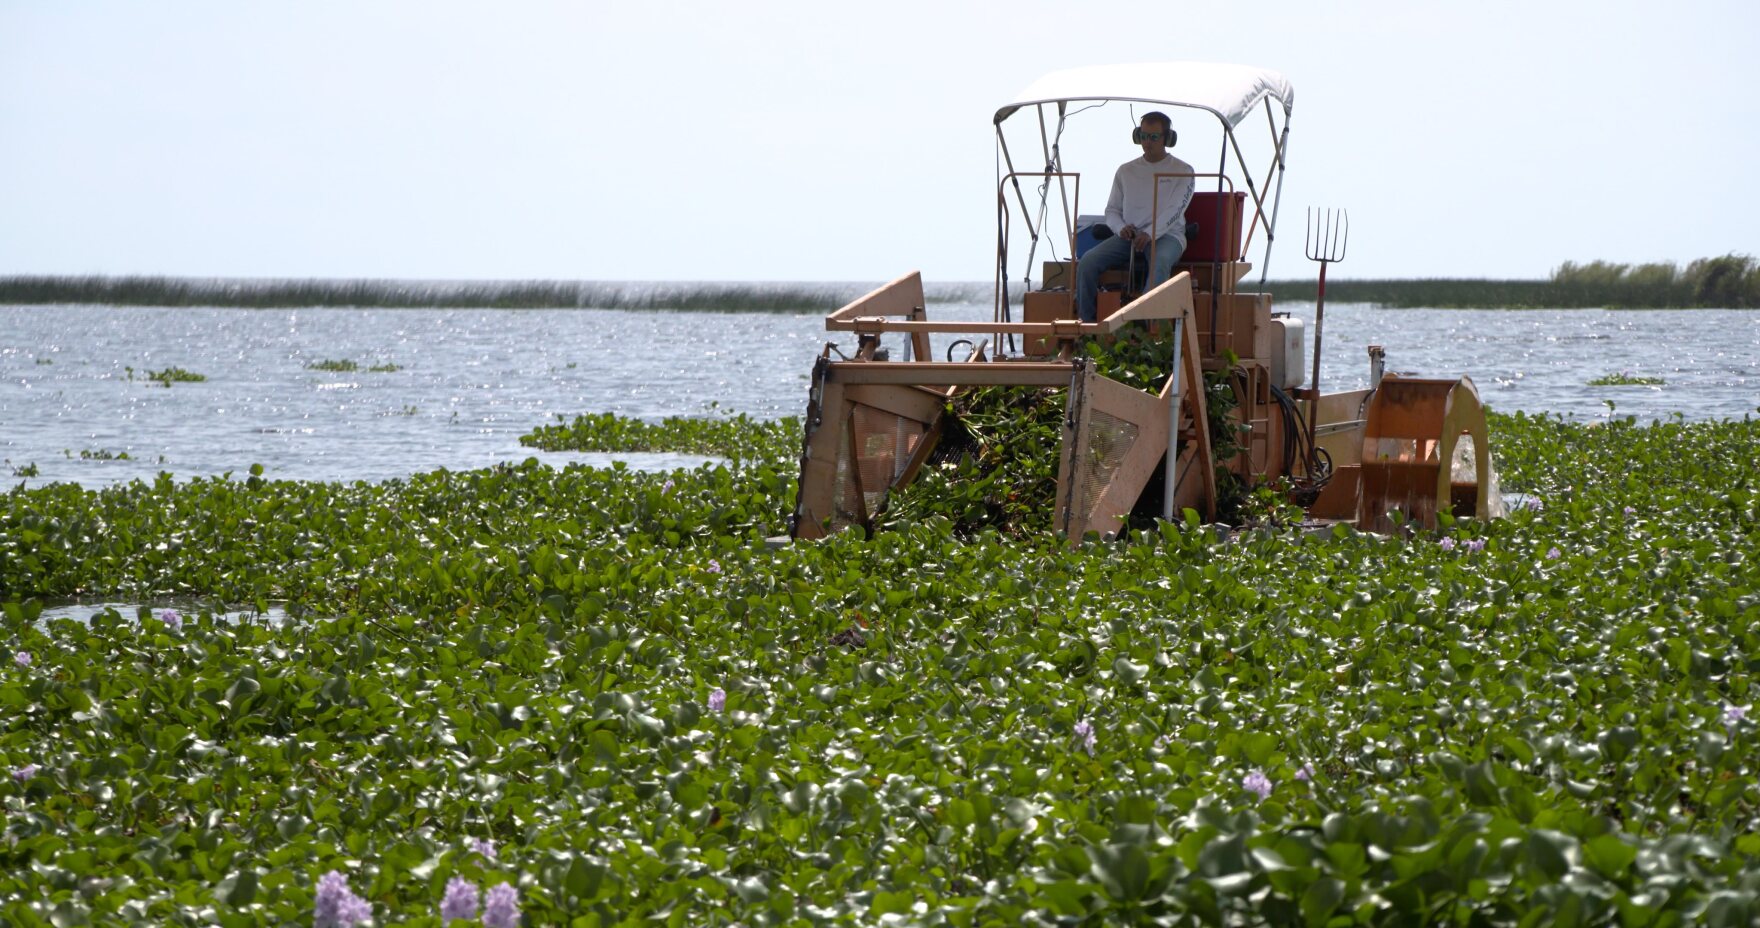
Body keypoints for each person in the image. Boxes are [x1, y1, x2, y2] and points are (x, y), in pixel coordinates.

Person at [1075, 112, 1194, 322]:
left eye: (1154, 137)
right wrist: (1120, 228)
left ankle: (1147, 329)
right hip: (1128, 238)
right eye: (1143, 136)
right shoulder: (1125, 171)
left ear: (1167, 138)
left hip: (1168, 237)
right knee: (1087, 262)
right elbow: (1111, 211)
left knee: (1160, 262)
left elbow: (1175, 211)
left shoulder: (1184, 171)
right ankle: (1090, 327)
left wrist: (1149, 233)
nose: (1147, 142)